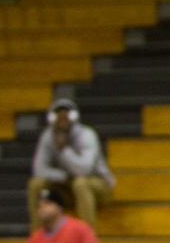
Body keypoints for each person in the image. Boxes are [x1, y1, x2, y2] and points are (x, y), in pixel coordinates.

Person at [27, 99, 113, 231]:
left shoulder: (86, 135)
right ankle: (37, 239)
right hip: (68, 187)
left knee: (81, 183)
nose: (62, 120)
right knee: (36, 185)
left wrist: (64, 149)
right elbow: (39, 169)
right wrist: (63, 176)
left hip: (98, 187)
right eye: (59, 116)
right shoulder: (48, 137)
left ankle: (88, 240)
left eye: (66, 116)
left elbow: (84, 170)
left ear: (74, 117)